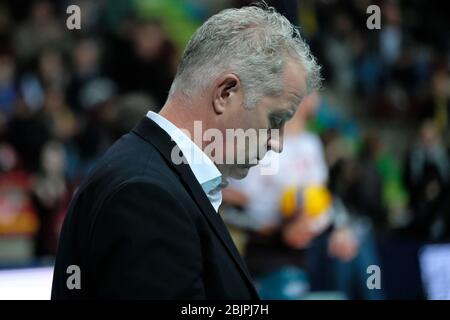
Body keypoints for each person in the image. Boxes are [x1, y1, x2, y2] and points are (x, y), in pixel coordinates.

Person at [51, 4, 321, 299]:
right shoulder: (146, 195)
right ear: (225, 93)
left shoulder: (157, 180)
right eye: (275, 120)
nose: (277, 142)